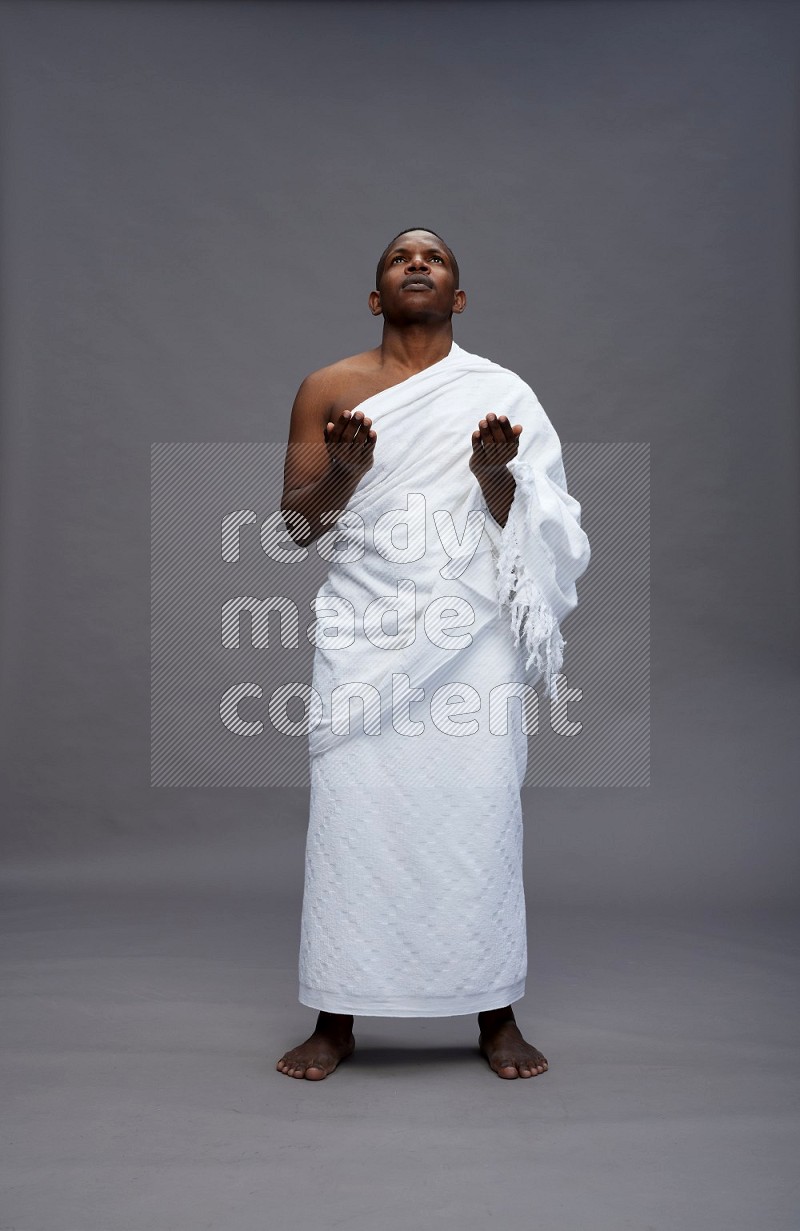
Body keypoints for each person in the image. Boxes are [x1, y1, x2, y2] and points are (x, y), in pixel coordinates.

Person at [275, 228, 590, 1080]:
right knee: (355, 820)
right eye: (399, 257)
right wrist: (342, 470)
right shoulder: (328, 388)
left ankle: (495, 1010)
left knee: (476, 815)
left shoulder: (500, 392)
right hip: (363, 632)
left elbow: (533, 529)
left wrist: (498, 474)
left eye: (436, 258)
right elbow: (300, 525)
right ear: (377, 297)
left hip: (470, 640)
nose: (418, 262)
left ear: (458, 296)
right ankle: (335, 1016)